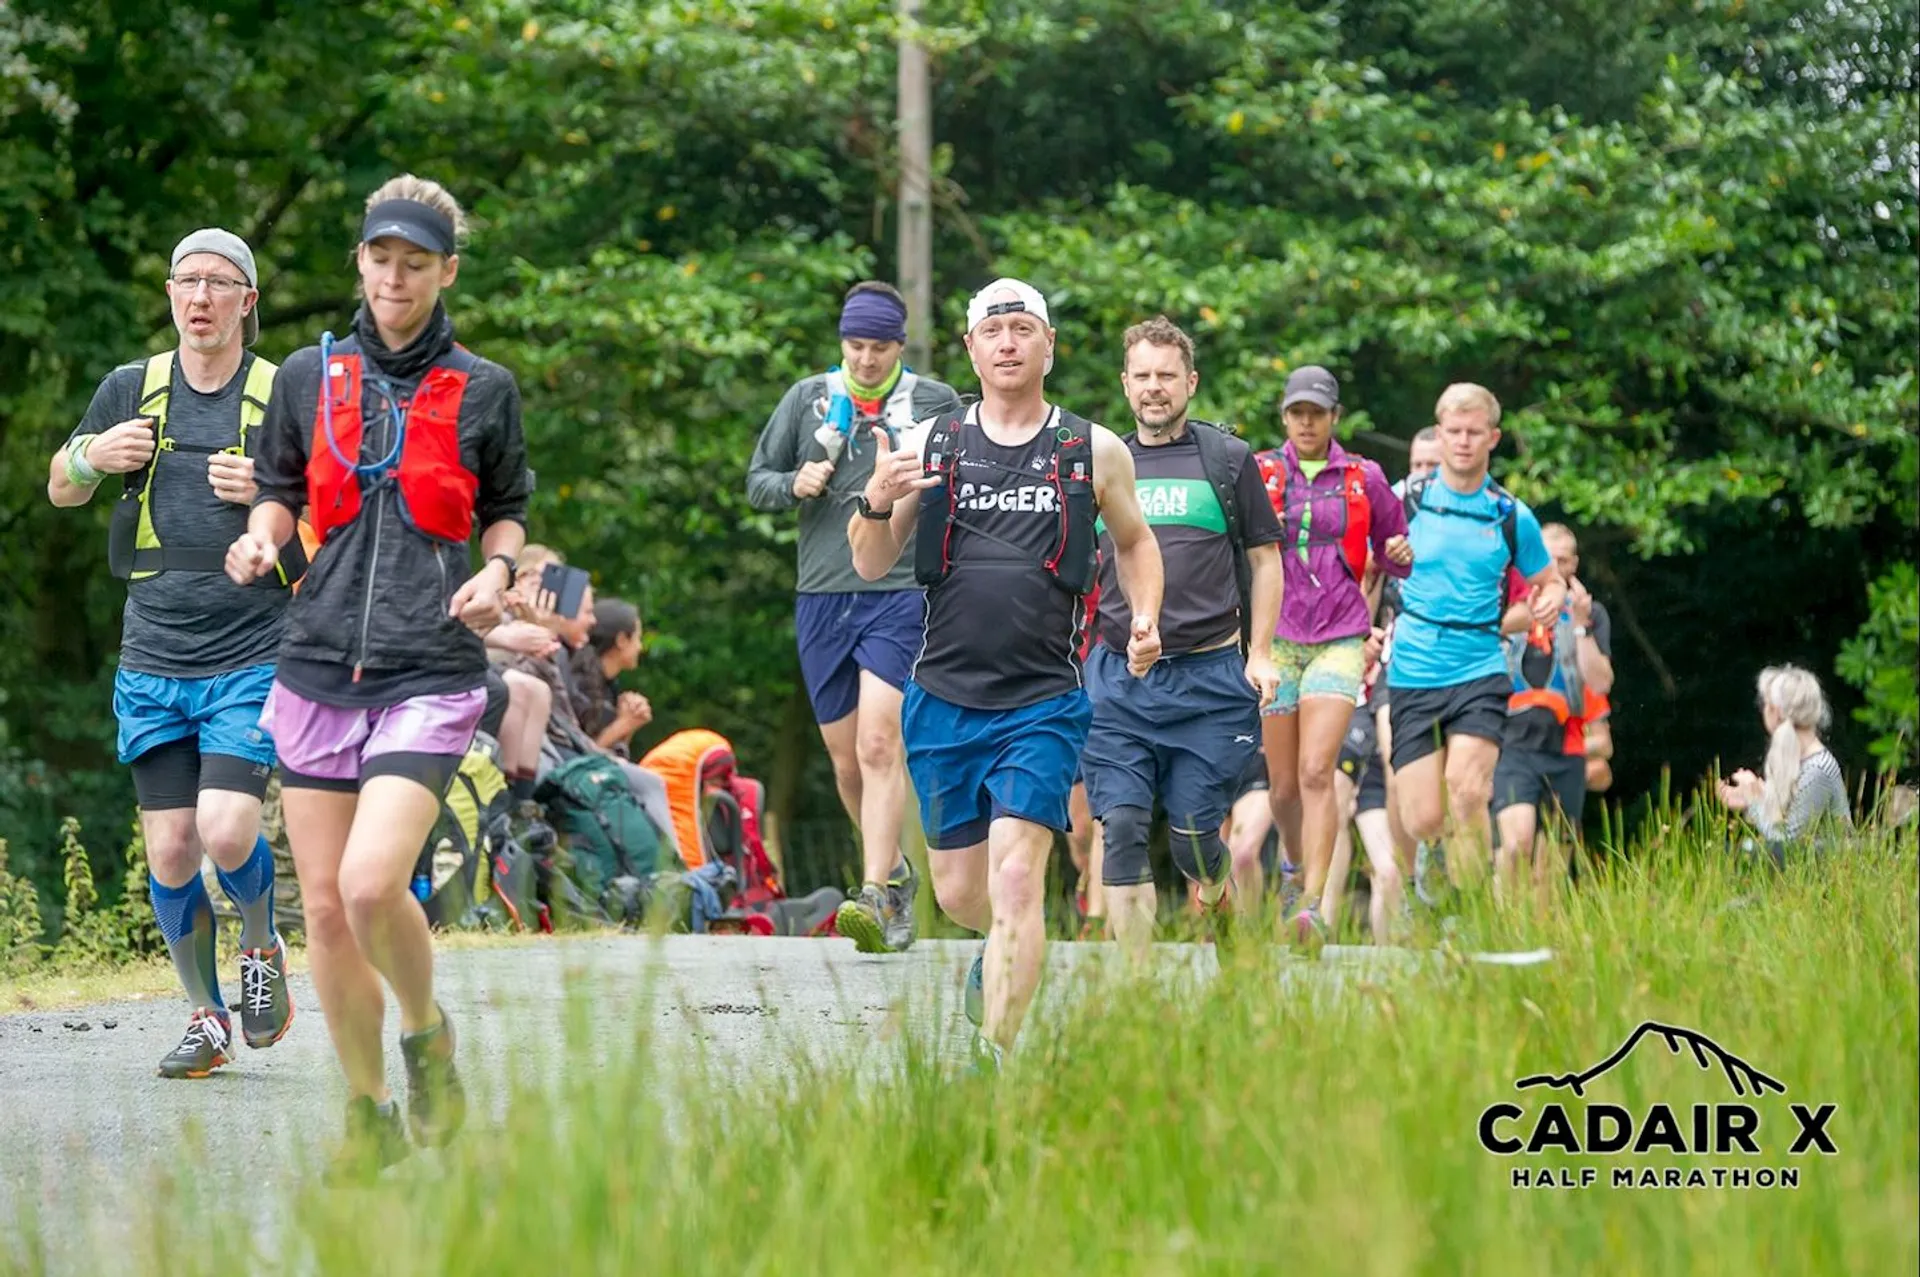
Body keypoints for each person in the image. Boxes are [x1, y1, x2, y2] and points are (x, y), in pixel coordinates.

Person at [225, 175, 531, 1172]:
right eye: (381, 257)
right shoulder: (307, 376)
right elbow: (278, 491)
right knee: (322, 906)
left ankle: (426, 1031)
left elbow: (507, 510)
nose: (395, 277)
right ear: (360, 260)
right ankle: (370, 1116)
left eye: (416, 262)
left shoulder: (485, 387)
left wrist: (498, 572)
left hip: (429, 665)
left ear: (448, 271)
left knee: (368, 885)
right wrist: (259, 537)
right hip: (315, 662)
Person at [848, 278, 1162, 1067]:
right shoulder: (932, 442)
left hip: (1043, 701)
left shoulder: (1092, 449)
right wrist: (875, 501)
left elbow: (1135, 542)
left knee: (1017, 877)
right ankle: (1004, 947)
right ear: (971, 348)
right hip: (942, 699)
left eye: (1024, 328)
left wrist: (1146, 617)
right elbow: (870, 560)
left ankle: (997, 1057)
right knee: (961, 892)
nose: (1010, 342)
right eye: (994, 331)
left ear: (1049, 345)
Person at [47, 228, 295, 1079]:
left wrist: (267, 490)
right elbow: (61, 485)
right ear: (170, 293)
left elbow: (331, 513)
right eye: (187, 281)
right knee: (172, 851)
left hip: (249, 648)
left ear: (246, 301)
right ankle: (207, 1016)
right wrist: (92, 454)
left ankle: (260, 946)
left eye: (219, 283)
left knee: (227, 830)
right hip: (152, 654)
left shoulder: (280, 392)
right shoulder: (132, 386)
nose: (200, 297)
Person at [747, 282, 965, 954]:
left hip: (899, 591)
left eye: (880, 347)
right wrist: (794, 483)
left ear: (901, 345)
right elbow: (757, 480)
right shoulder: (807, 397)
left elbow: (968, 480)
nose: (867, 359)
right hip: (821, 594)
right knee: (846, 764)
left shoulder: (934, 401)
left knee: (878, 745)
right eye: (856, 345)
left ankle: (874, 893)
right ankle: (895, 872)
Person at [1077, 317, 1282, 960]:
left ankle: (1217, 900)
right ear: (1125, 383)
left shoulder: (1227, 459)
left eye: (1167, 375)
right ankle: (1134, 987)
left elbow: (1265, 559)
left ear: (1190, 382)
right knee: (1121, 826)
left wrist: (1262, 653)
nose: (1154, 387)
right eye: (1142, 375)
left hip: (1209, 680)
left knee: (1195, 837)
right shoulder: (1101, 463)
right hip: (1121, 678)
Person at [1253, 366, 1411, 942]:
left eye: (1316, 413)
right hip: (1276, 638)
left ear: (1334, 417)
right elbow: (1233, 548)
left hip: (1341, 636)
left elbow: (1393, 553)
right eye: (1297, 412)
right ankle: (1294, 866)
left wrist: (1398, 555)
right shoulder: (1261, 472)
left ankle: (1312, 905)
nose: (1306, 422)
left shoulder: (1364, 478)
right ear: (1284, 417)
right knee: (1283, 786)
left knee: (1317, 771)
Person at [1388, 383, 1562, 894]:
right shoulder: (1406, 500)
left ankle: (1469, 913)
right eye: (1454, 432)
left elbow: (1549, 580)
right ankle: (1438, 863)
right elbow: (1363, 562)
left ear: (1493, 438)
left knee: (1467, 792)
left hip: (1480, 667)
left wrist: (1549, 600)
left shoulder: (1509, 514)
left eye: (1474, 432)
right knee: (1422, 818)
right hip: (1414, 667)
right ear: (1440, 435)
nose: (1463, 442)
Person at [1491, 523, 1614, 905]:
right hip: (1512, 745)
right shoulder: (1509, 606)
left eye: (1563, 561)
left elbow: (1600, 682)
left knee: (1552, 866)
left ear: (1574, 564)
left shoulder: (1590, 614)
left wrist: (1579, 627)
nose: (1555, 569)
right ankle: (1501, 924)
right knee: (1515, 844)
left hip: (1566, 746)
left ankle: (1541, 933)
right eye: (1548, 559)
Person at [1719, 665, 1852, 865]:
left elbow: (1786, 846)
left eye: (1766, 704)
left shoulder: (1817, 769)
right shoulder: (1804, 761)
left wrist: (1753, 802)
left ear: (1776, 711)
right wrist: (1759, 798)